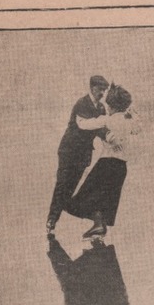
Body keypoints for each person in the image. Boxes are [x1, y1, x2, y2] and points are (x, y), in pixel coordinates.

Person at [65, 84, 139, 240]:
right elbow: (137, 128)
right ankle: (99, 228)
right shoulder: (128, 122)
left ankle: (99, 226)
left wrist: (79, 117)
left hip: (106, 164)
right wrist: (132, 115)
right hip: (121, 167)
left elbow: (84, 125)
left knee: (87, 196)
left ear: (111, 105)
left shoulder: (107, 120)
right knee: (107, 199)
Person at [47, 75, 109, 238]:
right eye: (100, 89)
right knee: (62, 185)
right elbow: (84, 125)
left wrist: (113, 138)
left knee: (71, 190)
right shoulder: (82, 104)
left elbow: (101, 131)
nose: (102, 93)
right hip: (68, 152)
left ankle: (90, 220)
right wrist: (106, 121)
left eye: (104, 90)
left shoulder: (101, 108)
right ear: (92, 88)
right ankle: (52, 220)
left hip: (83, 155)